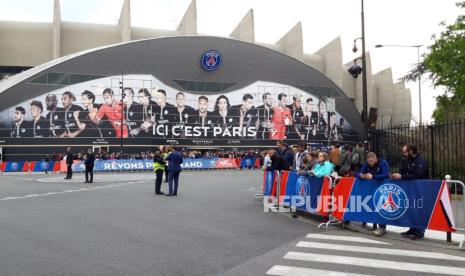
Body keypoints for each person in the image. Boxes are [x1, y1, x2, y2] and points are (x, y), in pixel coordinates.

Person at [390, 144, 429, 240]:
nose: (404, 155)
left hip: (420, 189)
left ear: (411, 151)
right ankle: (412, 228)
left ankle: (420, 232)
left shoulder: (421, 161)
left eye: (405, 152)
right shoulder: (406, 160)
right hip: (408, 189)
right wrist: (396, 175)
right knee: (411, 208)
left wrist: (402, 177)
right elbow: (402, 171)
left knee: (419, 209)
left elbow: (418, 175)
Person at [356, 152, 390, 236]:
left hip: (381, 189)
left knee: (380, 207)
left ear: (375, 158)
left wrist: (373, 177)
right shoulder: (367, 164)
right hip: (370, 189)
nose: (370, 163)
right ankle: (366, 221)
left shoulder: (383, 163)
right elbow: (358, 173)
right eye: (368, 161)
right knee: (368, 204)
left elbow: (386, 174)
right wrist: (361, 175)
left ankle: (382, 227)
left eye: (371, 161)